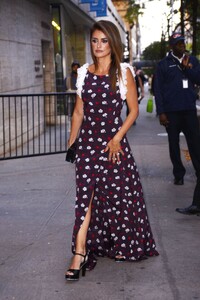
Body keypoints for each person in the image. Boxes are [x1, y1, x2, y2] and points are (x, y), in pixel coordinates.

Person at [65, 20, 159, 281]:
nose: (98, 45)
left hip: (113, 146)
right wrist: (72, 144)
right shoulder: (84, 72)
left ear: (113, 43)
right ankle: (80, 253)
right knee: (85, 200)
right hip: (87, 146)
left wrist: (117, 137)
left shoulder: (123, 72)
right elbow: (78, 112)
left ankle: (123, 244)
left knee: (118, 198)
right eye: (95, 40)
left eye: (104, 41)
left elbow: (134, 110)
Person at [154, 32, 200, 215]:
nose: (181, 46)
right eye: (178, 44)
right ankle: (178, 174)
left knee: (195, 144)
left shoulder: (192, 60)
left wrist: (187, 68)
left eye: (182, 43)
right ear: (171, 46)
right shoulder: (163, 64)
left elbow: (198, 79)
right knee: (173, 144)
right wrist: (161, 112)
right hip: (171, 112)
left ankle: (198, 172)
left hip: (188, 110)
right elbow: (158, 89)